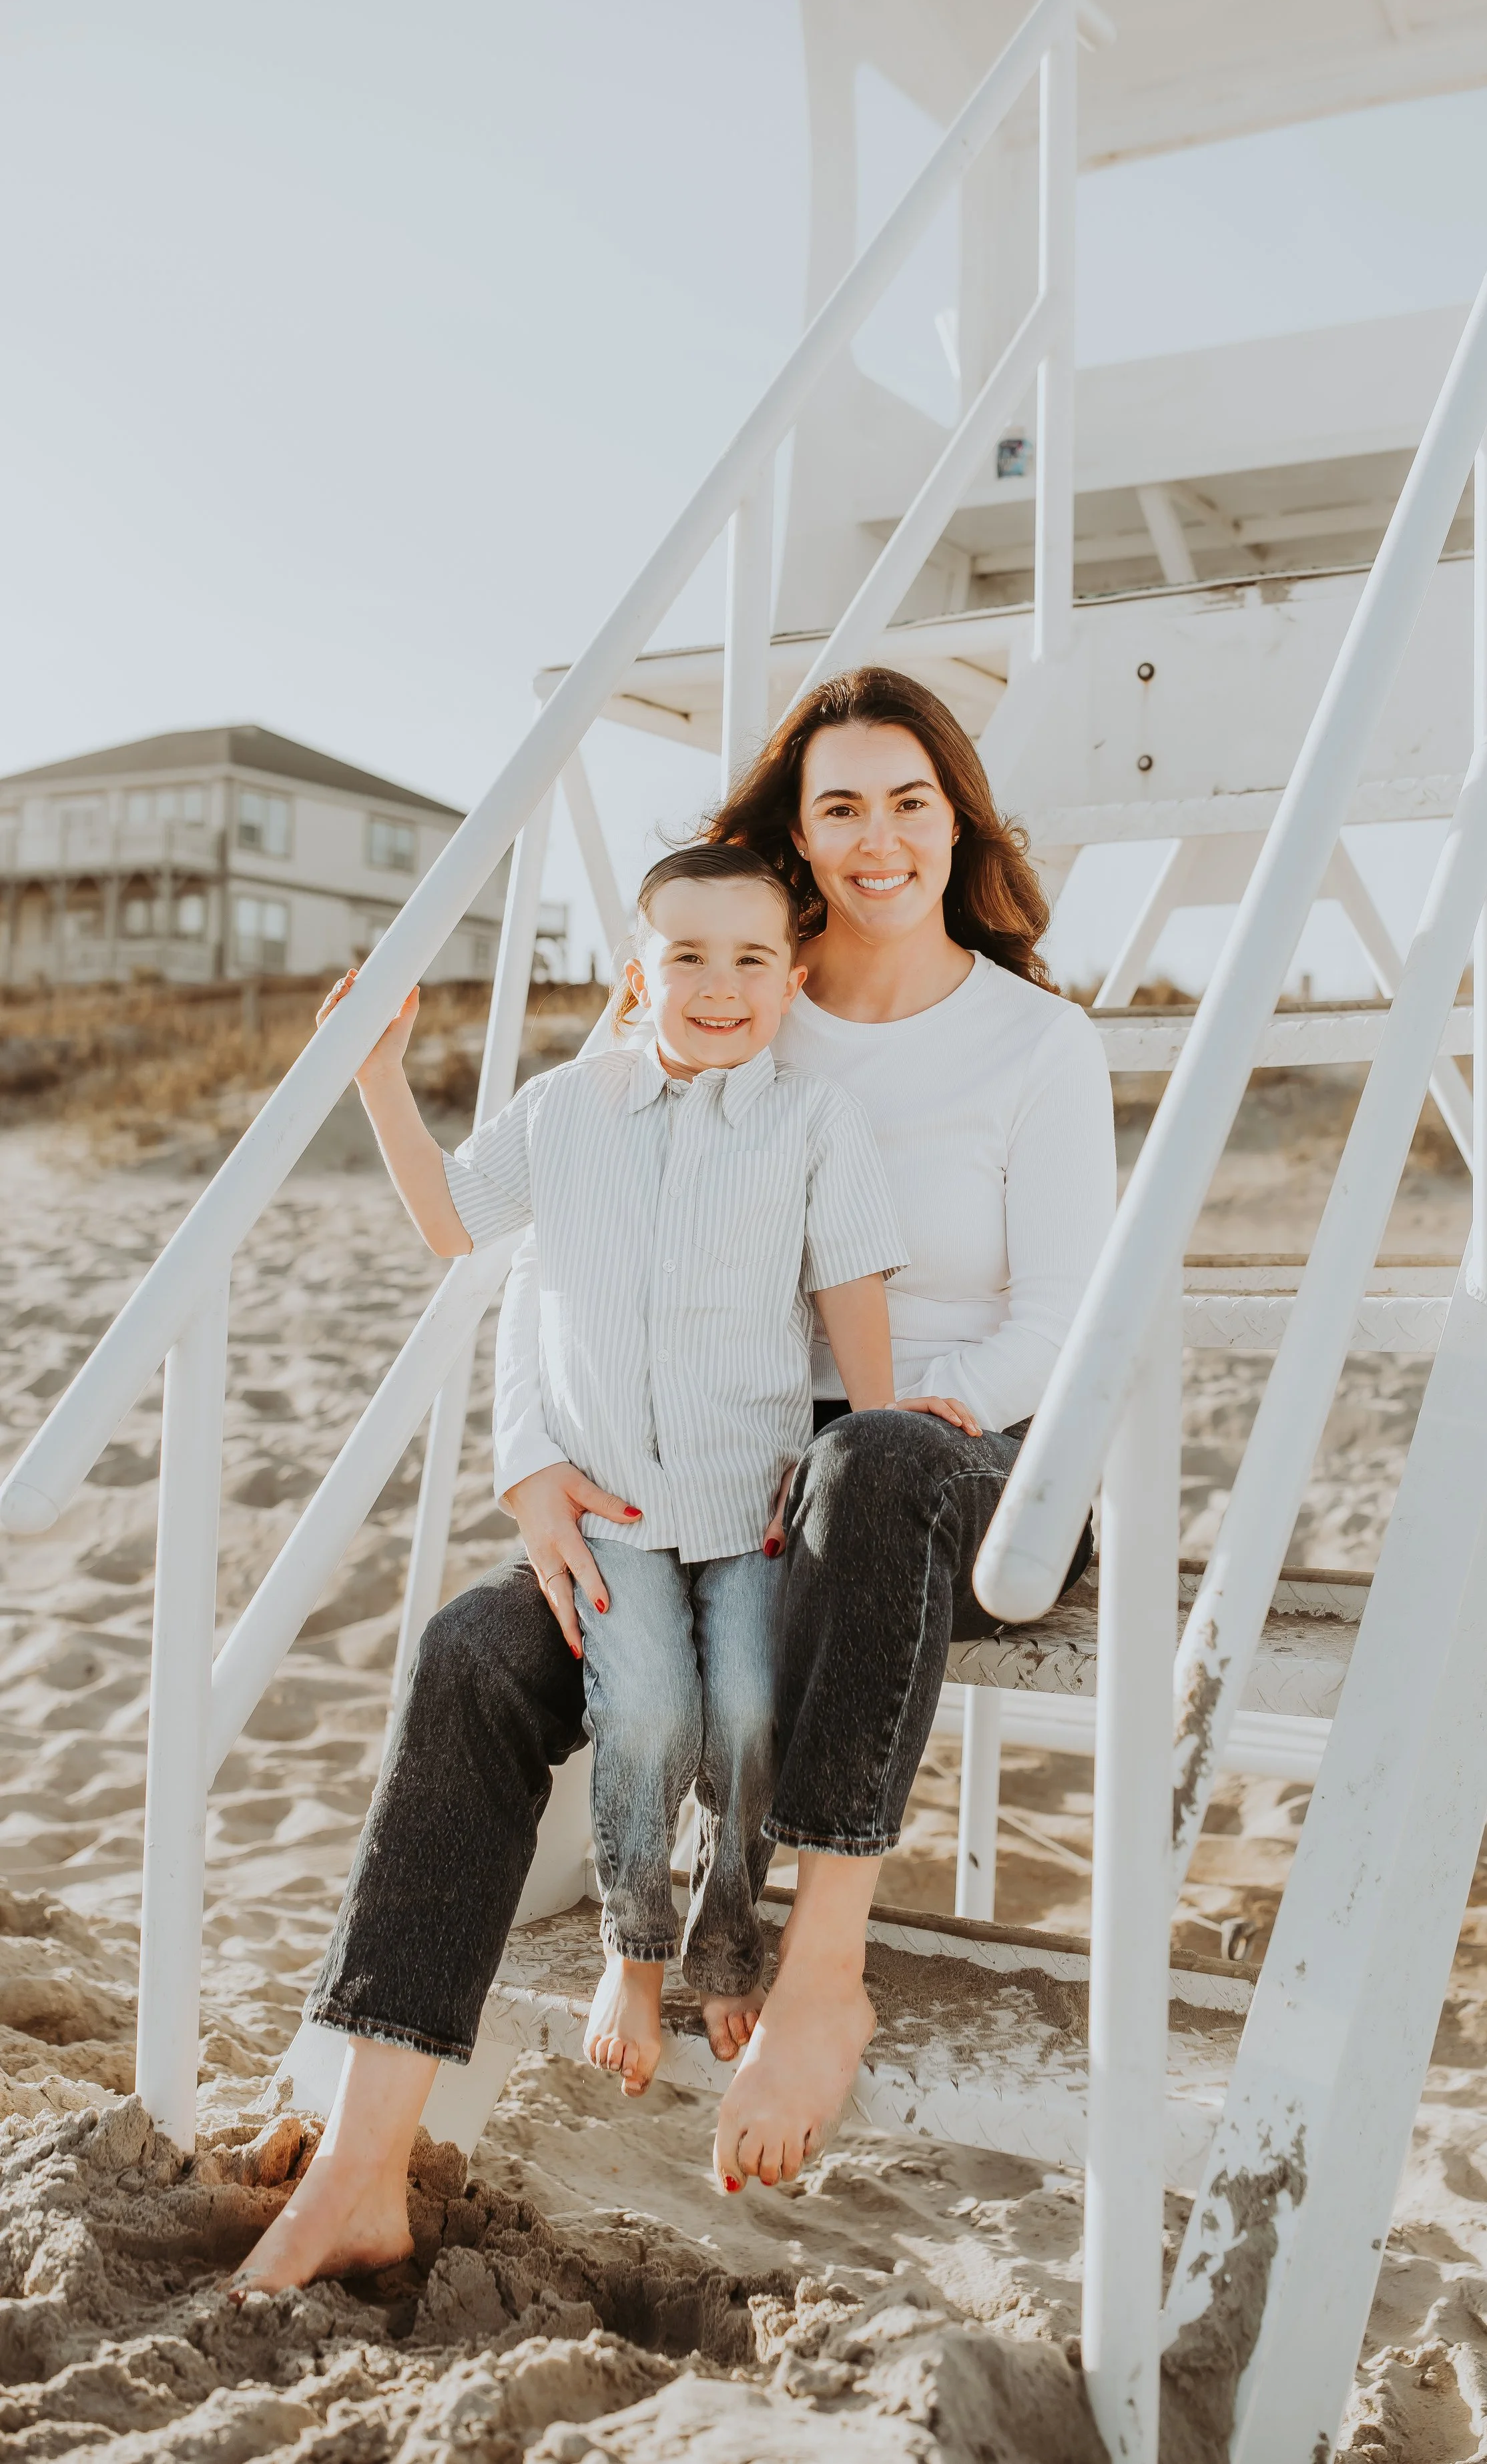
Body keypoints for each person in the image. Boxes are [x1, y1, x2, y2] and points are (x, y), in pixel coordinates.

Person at [236, 665, 1113, 2287]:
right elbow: (559, 1255)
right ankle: (363, 2161)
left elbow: (1067, 1312)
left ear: (955, 819)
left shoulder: (1031, 1047)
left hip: (973, 1479)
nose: (875, 837)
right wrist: (532, 1469)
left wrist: (922, 1404)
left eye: (908, 800)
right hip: (706, 1488)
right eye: (836, 804)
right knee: (479, 1654)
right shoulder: (708, 997)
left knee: (873, 1458)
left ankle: (822, 1967)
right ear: (793, 833)